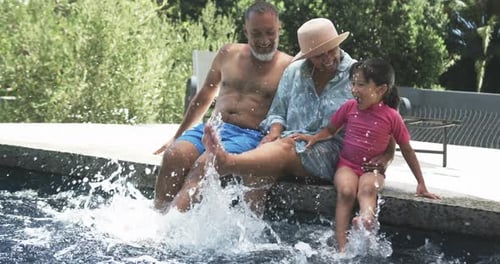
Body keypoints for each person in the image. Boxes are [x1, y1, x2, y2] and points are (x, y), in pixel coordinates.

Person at [202, 18, 395, 215]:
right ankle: (248, 231)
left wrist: (387, 156)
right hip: (290, 142)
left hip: (333, 152)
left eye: (331, 50)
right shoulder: (294, 72)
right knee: (261, 165)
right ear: (309, 55)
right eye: (319, 55)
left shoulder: (359, 76)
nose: (327, 58)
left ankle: (229, 163)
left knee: (285, 147)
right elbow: (277, 112)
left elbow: (388, 119)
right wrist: (274, 132)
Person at [152, 1, 292, 212]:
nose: (264, 40)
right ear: (246, 30)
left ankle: (171, 228)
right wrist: (178, 134)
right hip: (214, 128)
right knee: (174, 154)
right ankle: (157, 216)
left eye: (270, 32)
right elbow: (204, 96)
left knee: (204, 164)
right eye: (256, 33)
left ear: (279, 28)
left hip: (251, 135)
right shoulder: (228, 53)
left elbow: (293, 112)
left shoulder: (289, 66)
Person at [291, 57, 441, 252]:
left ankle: (365, 219)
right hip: (347, 165)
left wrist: (421, 183)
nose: (354, 89)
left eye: (360, 84)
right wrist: (312, 138)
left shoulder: (391, 117)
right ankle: (342, 248)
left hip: (373, 169)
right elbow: (330, 130)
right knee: (345, 192)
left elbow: (406, 149)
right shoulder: (349, 108)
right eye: (353, 83)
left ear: (380, 90)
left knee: (368, 189)